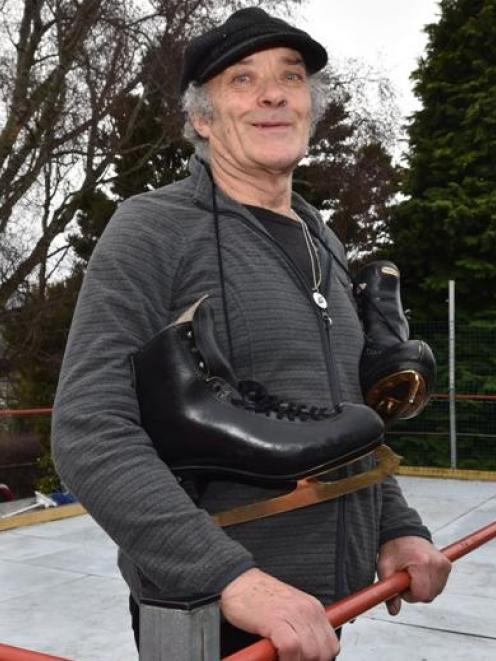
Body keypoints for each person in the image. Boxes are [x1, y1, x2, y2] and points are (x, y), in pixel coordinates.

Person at [52, 7, 451, 660]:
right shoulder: (152, 229)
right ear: (202, 120)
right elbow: (89, 428)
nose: (273, 93)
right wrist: (226, 574)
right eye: (242, 79)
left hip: (322, 612)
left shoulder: (321, 237)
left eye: (290, 77)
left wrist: (397, 526)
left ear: (309, 108)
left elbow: (343, 415)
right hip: (213, 617)